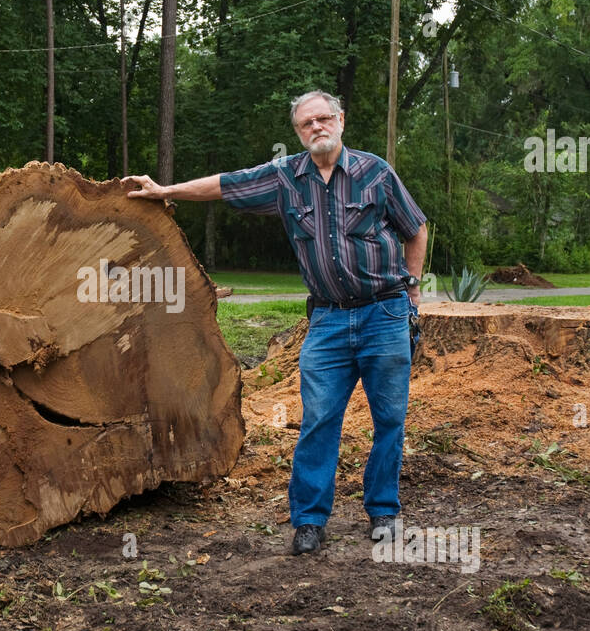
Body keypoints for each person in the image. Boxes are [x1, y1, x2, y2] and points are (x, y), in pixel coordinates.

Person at [123, 89, 428, 555]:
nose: (316, 128)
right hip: (327, 320)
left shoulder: (376, 173)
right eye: (306, 124)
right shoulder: (286, 177)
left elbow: (416, 226)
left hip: (384, 312)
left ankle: (383, 510)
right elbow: (225, 185)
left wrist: (413, 290)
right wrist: (166, 191)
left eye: (324, 119)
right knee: (319, 419)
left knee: (389, 418)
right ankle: (309, 521)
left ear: (341, 120)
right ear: (298, 133)